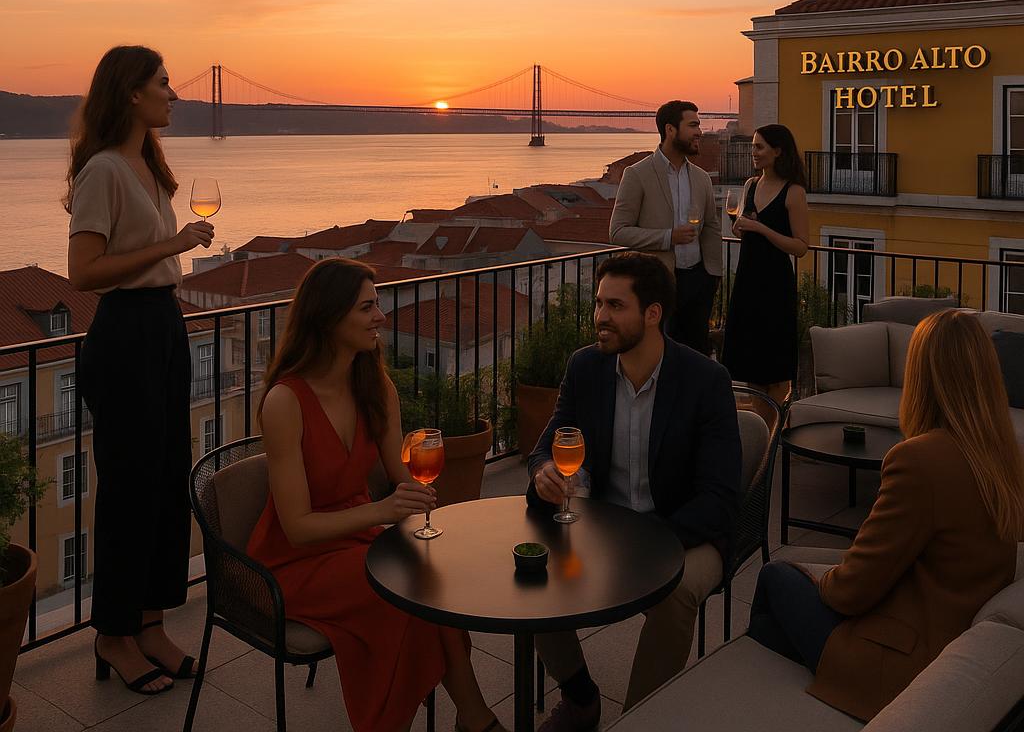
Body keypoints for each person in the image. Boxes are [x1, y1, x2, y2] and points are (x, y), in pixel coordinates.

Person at [248, 258, 505, 732]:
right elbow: (297, 527)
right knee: (404, 594)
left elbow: (400, 477)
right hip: (294, 561)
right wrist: (384, 510)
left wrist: (424, 509)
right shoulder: (285, 402)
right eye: (367, 307)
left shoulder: (375, 385)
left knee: (435, 576)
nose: (382, 316)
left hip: (358, 537)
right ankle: (466, 718)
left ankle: (471, 716)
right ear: (328, 317)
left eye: (377, 303)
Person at [747, 309, 1024, 721]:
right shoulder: (1003, 453)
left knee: (776, 576)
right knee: (781, 606)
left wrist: (821, 577)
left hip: (906, 658)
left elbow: (851, 591)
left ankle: (765, 706)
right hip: (951, 631)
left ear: (921, 376)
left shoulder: (920, 461)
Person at [526, 252, 741, 731]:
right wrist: (543, 474)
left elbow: (719, 499)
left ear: (653, 313)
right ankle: (582, 699)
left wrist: (649, 540)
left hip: (685, 533)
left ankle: (637, 719)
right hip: (606, 525)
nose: (600, 316)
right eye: (599, 303)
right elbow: (547, 447)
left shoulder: (705, 381)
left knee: (677, 592)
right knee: (531, 573)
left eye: (615, 306)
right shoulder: (587, 368)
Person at [66, 45, 213, 695]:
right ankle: (113, 633)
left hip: (162, 325)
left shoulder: (148, 165)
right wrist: (175, 244)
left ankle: (151, 622)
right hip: (125, 332)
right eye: (162, 83)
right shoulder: (103, 170)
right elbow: (84, 273)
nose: (173, 93)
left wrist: (172, 253)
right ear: (130, 93)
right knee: (128, 490)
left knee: (163, 480)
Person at [609, 100, 722, 354]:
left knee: (696, 358)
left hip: (698, 282)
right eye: (693, 125)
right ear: (670, 130)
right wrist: (668, 237)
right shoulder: (637, 174)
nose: (699, 132)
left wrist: (712, 275)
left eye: (699, 125)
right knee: (659, 355)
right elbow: (618, 231)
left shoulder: (702, 178)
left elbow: (712, 227)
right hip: (658, 283)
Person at [721, 124, 809, 421]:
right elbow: (744, 228)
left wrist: (759, 227)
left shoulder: (794, 192)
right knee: (750, 363)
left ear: (778, 151)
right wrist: (740, 228)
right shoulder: (750, 185)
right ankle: (762, 430)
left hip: (775, 285)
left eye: (759, 147)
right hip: (748, 280)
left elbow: (799, 247)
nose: (753, 152)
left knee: (776, 367)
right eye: (753, 147)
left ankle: (773, 432)